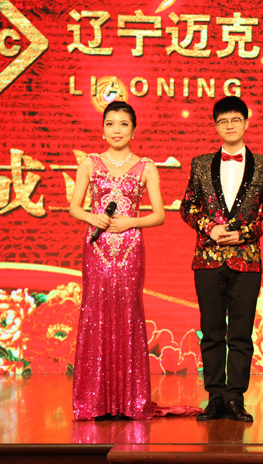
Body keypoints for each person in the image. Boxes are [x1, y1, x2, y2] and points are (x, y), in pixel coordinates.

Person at [180, 96, 263, 422]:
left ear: (246, 123)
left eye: (236, 120)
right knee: (211, 331)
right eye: (223, 121)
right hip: (207, 259)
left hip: (247, 260)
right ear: (216, 126)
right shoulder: (200, 164)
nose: (230, 126)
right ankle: (215, 398)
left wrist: (244, 234)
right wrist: (209, 228)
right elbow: (187, 207)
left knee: (240, 333)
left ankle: (235, 397)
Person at [70, 100, 165, 420]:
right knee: (95, 315)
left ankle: (130, 401)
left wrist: (130, 222)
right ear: (102, 129)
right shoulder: (89, 163)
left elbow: (159, 215)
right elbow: (74, 207)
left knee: (128, 314)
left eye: (124, 124)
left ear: (134, 130)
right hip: (96, 249)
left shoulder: (146, 167)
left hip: (130, 249)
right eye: (110, 124)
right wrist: (92, 217)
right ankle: (93, 402)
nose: (117, 130)